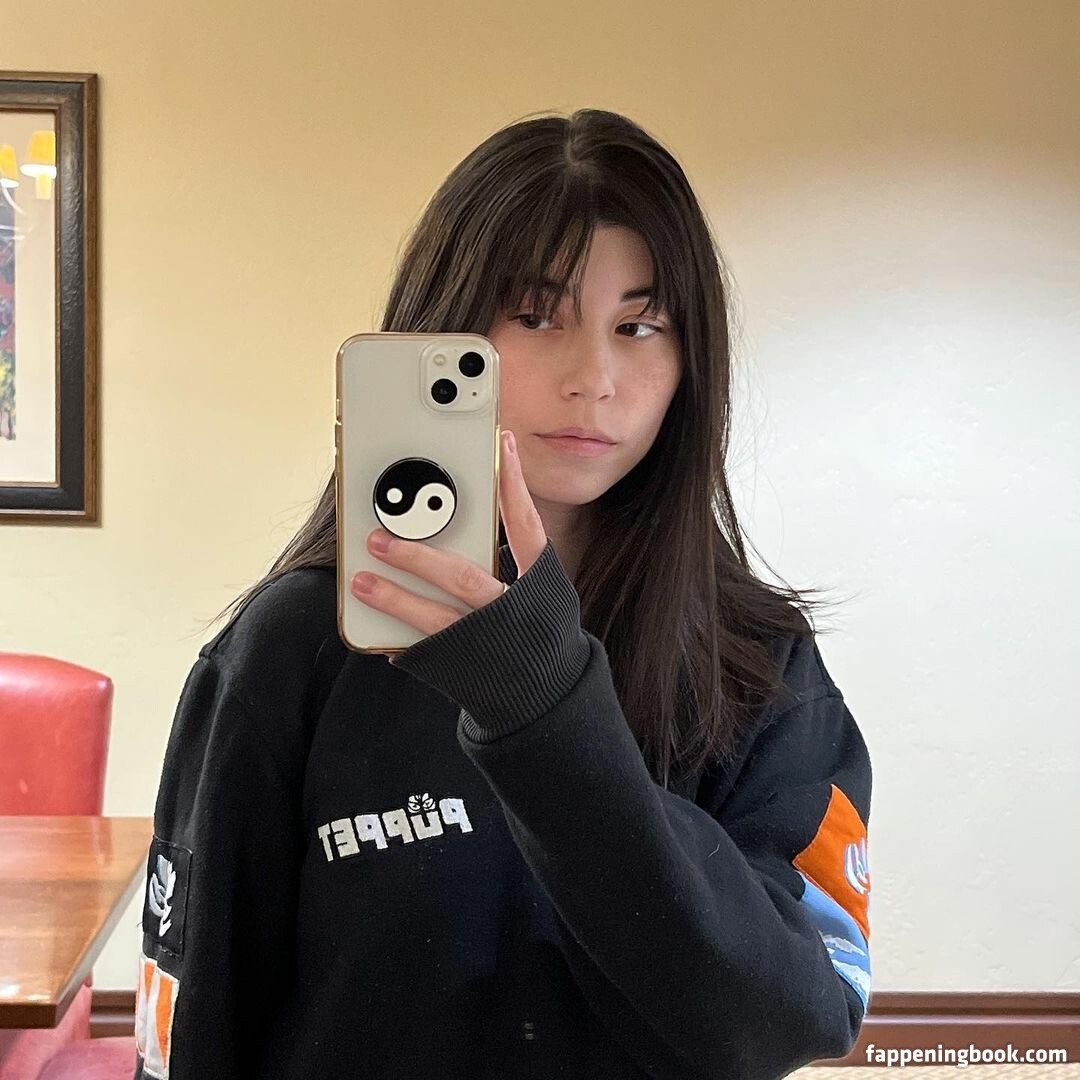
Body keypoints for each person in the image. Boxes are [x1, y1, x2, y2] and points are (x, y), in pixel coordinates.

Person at [133, 108, 872, 1080]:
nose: (594, 378)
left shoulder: (760, 662)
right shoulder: (294, 647)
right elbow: (196, 1027)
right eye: (535, 316)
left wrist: (546, 711)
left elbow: (795, 1016)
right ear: (444, 333)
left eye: (639, 325)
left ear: (691, 362)